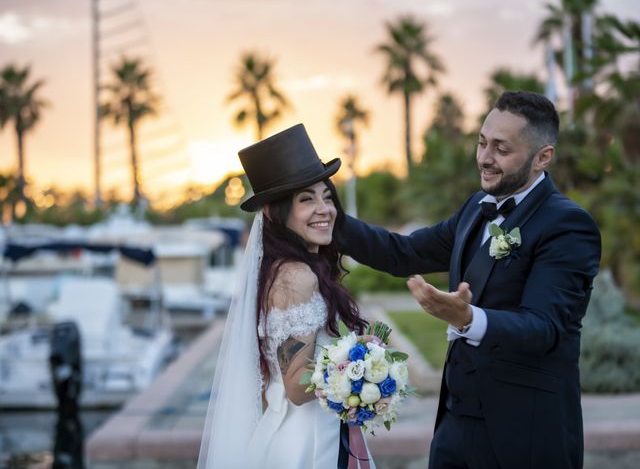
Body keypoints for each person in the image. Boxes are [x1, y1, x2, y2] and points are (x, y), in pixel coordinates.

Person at [337, 91, 601, 468]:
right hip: (455, 427)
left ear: (543, 157)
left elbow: (546, 327)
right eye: (481, 142)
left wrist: (467, 318)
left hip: (525, 435)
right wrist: (327, 212)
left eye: (501, 148)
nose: (484, 158)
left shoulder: (569, 225)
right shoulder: (474, 210)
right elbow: (403, 253)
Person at [197, 123, 375, 469]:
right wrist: (362, 368)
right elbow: (295, 385)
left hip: (291, 433)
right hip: (311, 446)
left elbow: (273, 383)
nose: (324, 209)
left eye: (327, 196)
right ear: (275, 213)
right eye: (306, 200)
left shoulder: (280, 271)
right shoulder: (297, 277)